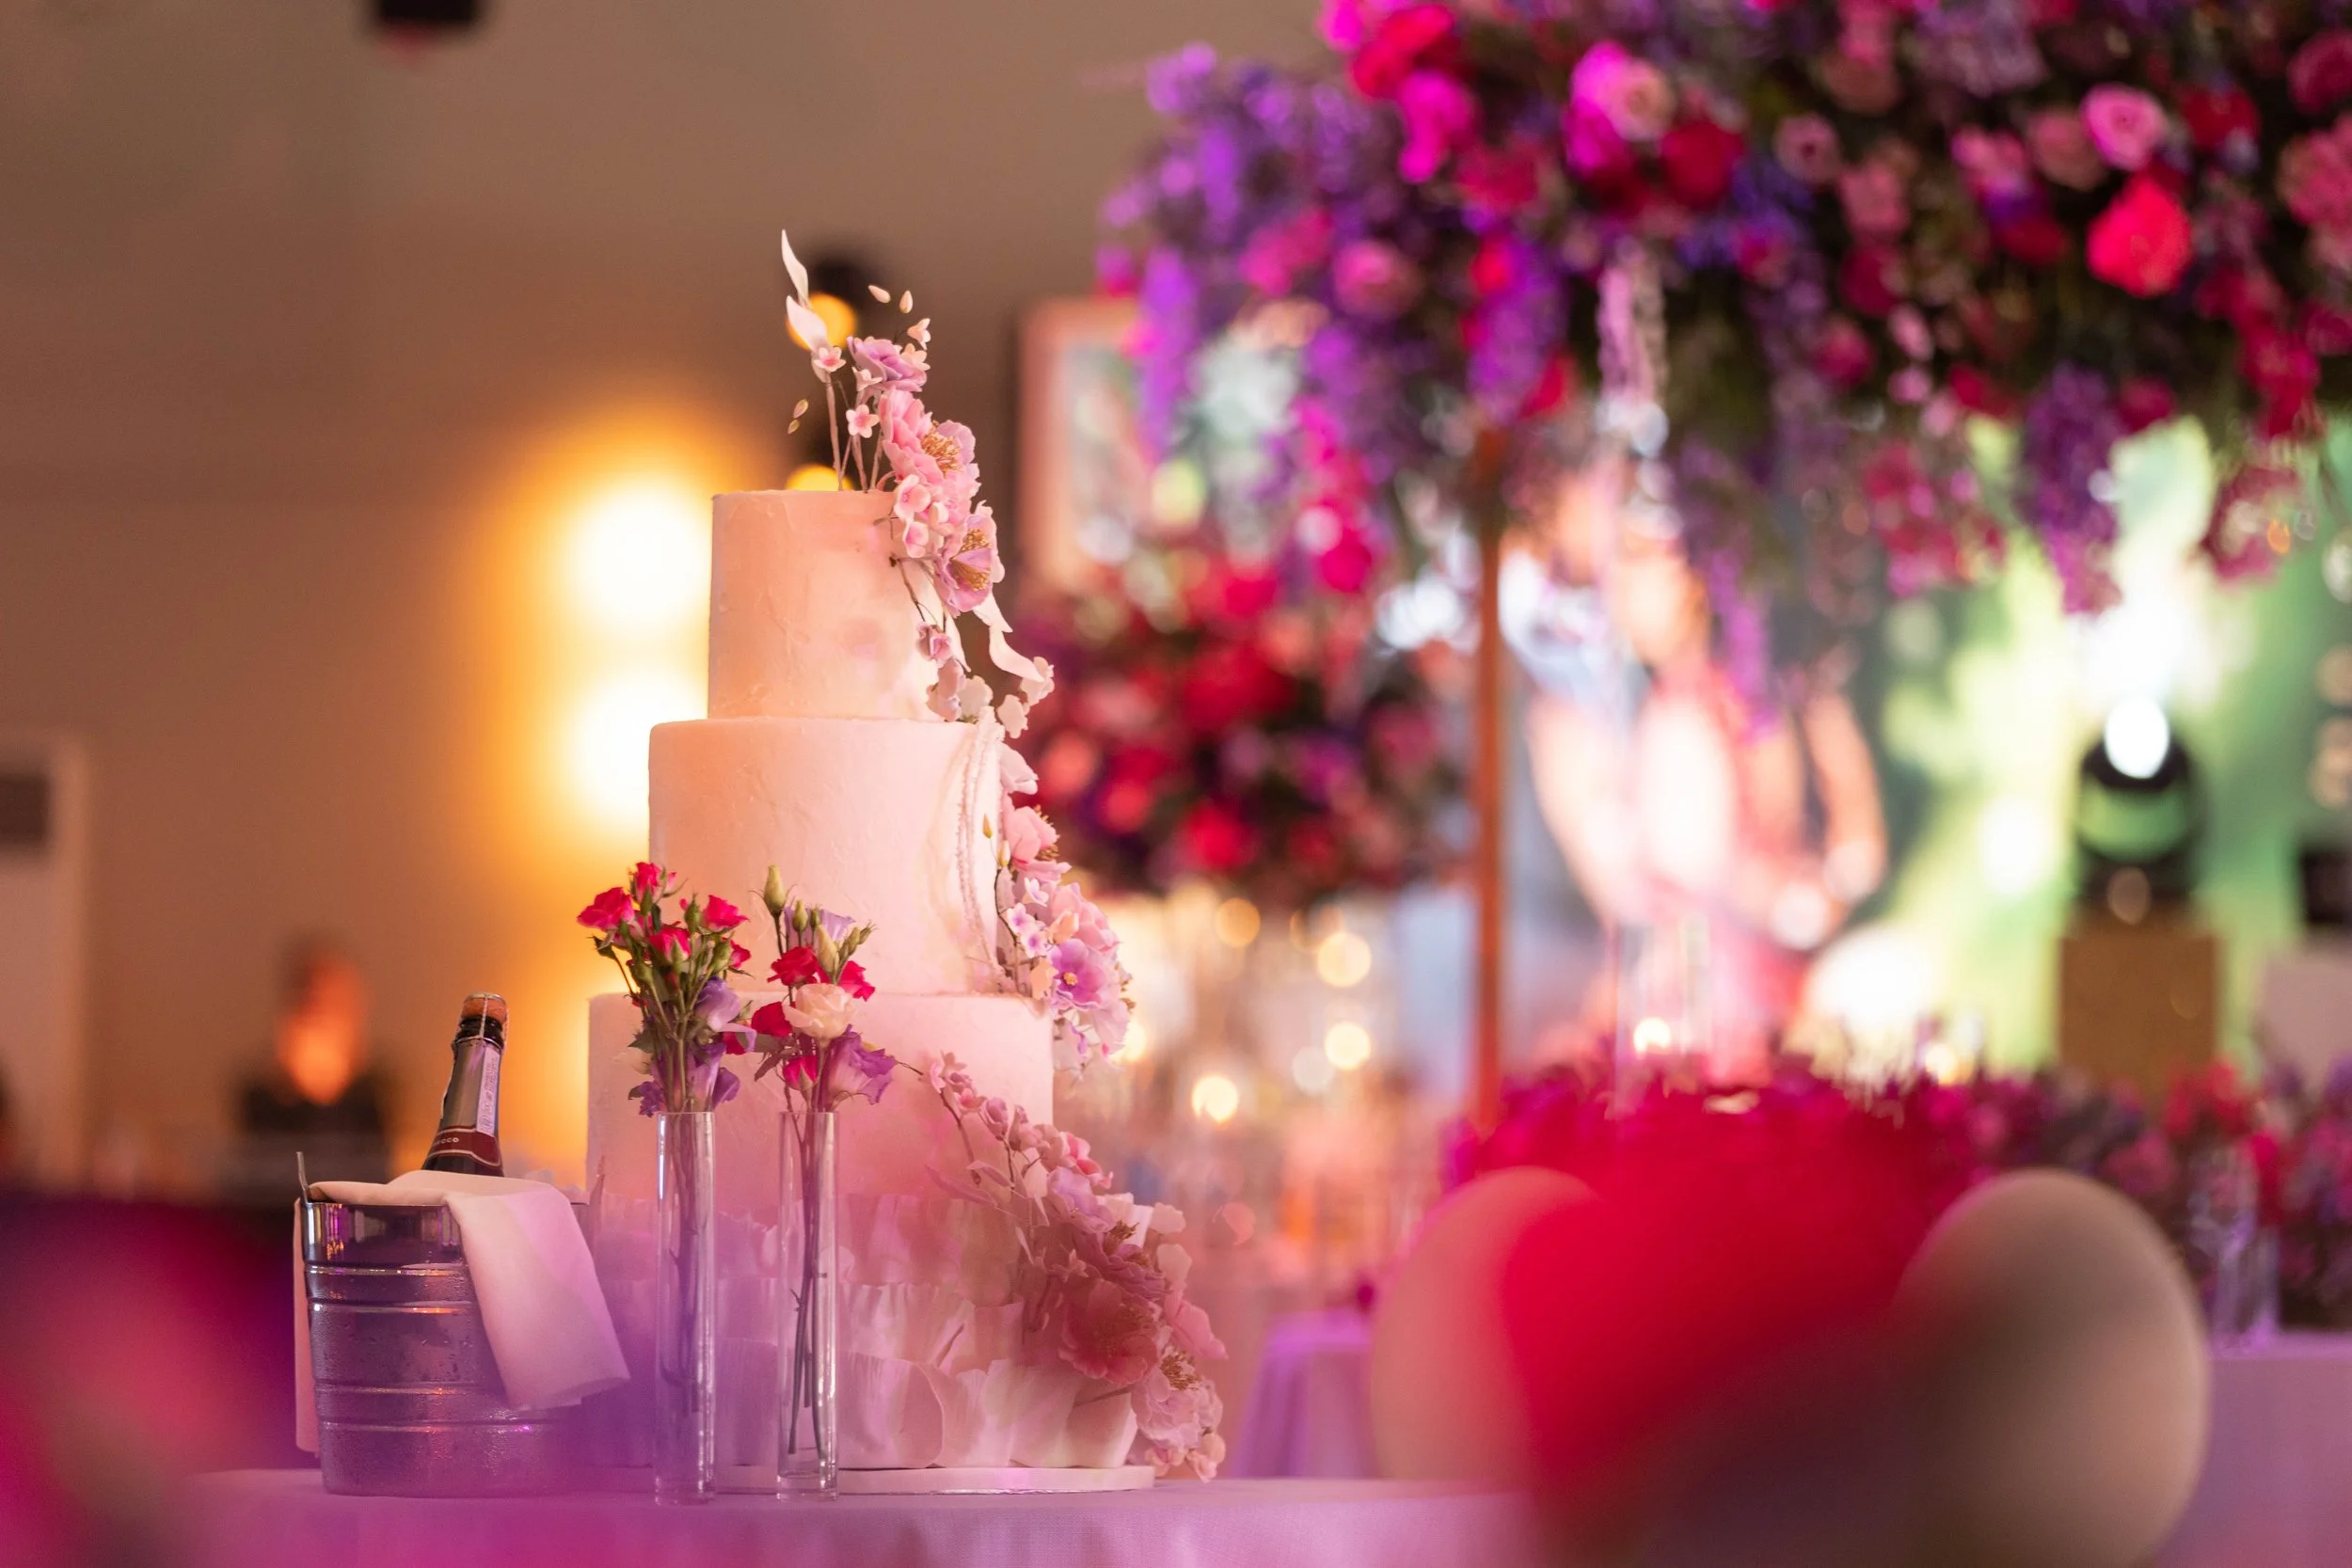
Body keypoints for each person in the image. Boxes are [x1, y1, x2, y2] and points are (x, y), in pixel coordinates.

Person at [225, 939, 391, 1201]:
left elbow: (386, 1171)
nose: (322, 1016)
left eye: (334, 1003)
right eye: (312, 1004)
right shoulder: (260, 1093)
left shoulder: (379, 1090)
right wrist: (295, 1088)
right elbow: (260, 1177)